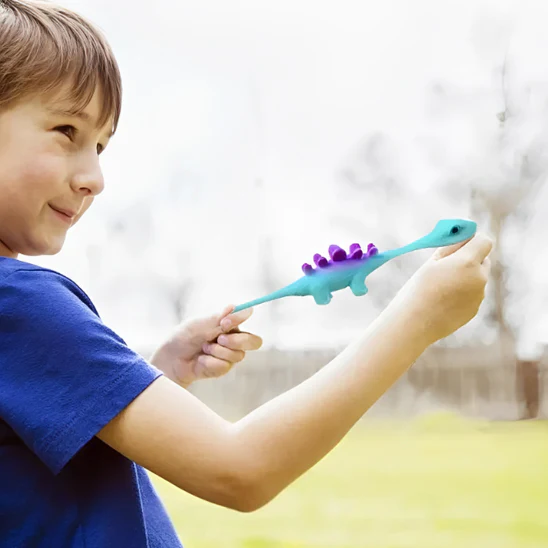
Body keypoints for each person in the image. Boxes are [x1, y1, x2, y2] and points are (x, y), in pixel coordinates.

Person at [0, 0, 493, 546]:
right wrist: (420, 317)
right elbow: (241, 470)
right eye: (66, 130)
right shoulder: (20, 303)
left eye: (100, 145)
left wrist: (157, 375)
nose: (95, 177)